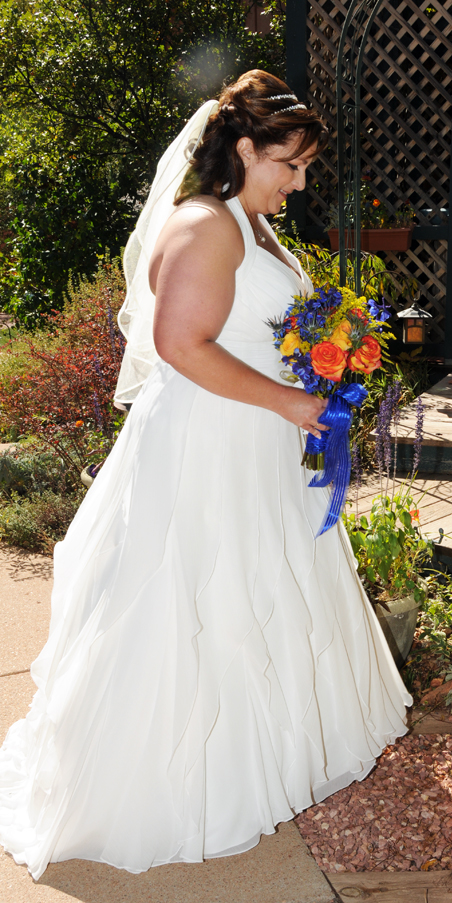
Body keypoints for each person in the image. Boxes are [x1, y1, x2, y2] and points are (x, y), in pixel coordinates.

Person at [0, 70, 411, 881]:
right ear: (247, 148)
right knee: (186, 604)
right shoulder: (203, 225)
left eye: (303, 168)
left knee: (252, 601)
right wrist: (294, 405)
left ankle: (252, 766)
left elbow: (254, 328)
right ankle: (152, 786)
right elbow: (184, 347)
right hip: (206, 446)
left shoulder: (252, 225)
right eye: (289, 164)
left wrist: (323, 358)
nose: (298, 181)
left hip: (252, 440)